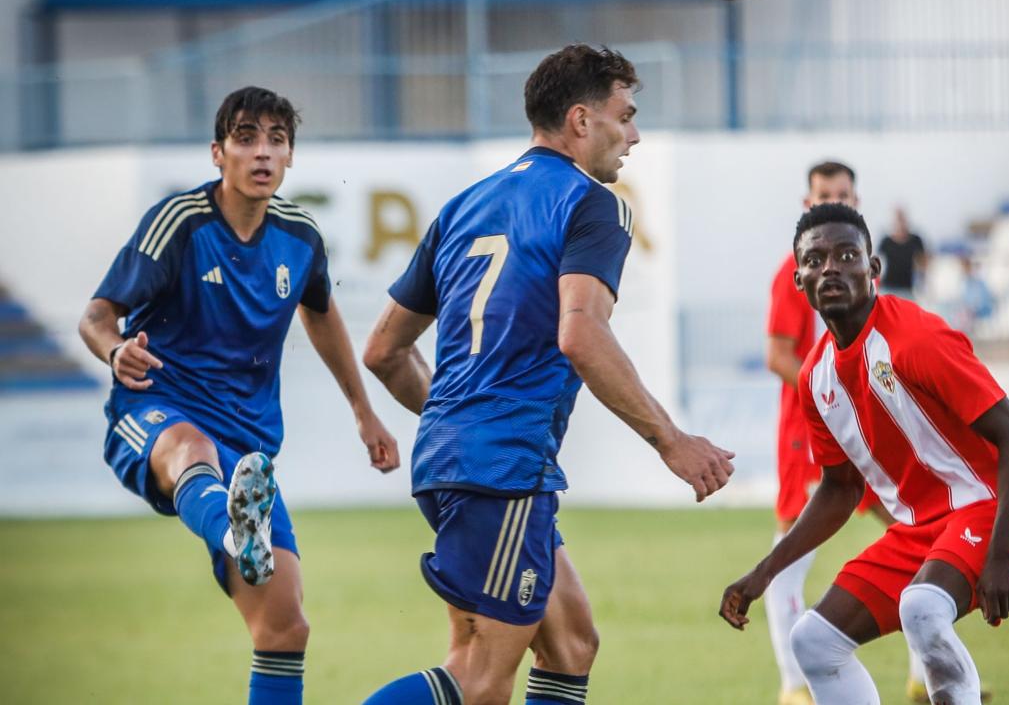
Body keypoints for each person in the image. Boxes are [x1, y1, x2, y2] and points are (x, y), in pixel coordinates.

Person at [360, 44, 736, 705]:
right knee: (478, 677)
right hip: (502, 470)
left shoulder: (463, 207)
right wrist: (671, 440)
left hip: (455, 459)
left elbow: (384, 353)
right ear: (582, 120)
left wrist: (459, 418)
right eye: (627, 114)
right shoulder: (592, 204)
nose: (636, 134)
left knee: (570, 645)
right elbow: (581, 334)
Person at [77, 86, 400, 705]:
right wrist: (116, 350)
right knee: (191, 447)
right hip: (155, 409)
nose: (262, 153)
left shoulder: (300, 237)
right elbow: (96, 315)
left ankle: (237, 524)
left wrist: (365, 415)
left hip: (246, 453)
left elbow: (323, 316)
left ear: (290, 159)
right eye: (247, 137)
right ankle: (233, 533)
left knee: (285, 628)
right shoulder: (181, 222)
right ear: (218, 153)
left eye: (277, 140)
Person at [722, 203, 1009, 705]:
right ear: (799, 281)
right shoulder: (814, 377)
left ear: (874, 269)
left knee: (922, 606)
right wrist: (765, 571)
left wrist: (1000, 556)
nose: (831, 268)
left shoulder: (917, 338)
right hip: (924, 530)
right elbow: (841, 490)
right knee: (813, 641)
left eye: (847, 255)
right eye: (816, 260)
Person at [765, 166, 984, 705]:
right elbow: (778, 355)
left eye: (843, 196)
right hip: (815, 430)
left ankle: (924, 671)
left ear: (857, 202)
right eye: (824, 196)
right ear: (807, 200)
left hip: (872, 428)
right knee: (790, 552)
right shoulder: (794, 273)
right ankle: (794, 687)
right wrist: (834, 393)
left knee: (921, 533)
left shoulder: (890, 309)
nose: (829, 268)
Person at [878, 207, 927, 298]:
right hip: (888, 288)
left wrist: (922, 284)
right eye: (898, 219)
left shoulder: (916, 240)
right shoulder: (886, 242)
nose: (900, 223)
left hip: (907, 289)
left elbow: (923, 263)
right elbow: (879, 264)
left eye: (902, 219)